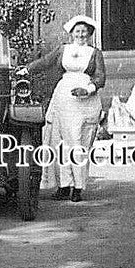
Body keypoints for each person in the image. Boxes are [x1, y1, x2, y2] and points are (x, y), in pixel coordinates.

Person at [28, 15, 106, 202]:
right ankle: (63, 186)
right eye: (77, 31)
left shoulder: (94, 53)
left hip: (85, 100)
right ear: (71, 33)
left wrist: (87, 89)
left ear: (89, 34)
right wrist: (27, 69)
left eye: (84, 32)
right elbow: (45, 62)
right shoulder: (63, 49)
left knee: (78, 142)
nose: (80, 35)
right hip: (63, 97)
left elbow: (100, 77)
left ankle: (78, 187)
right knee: (59, 141)